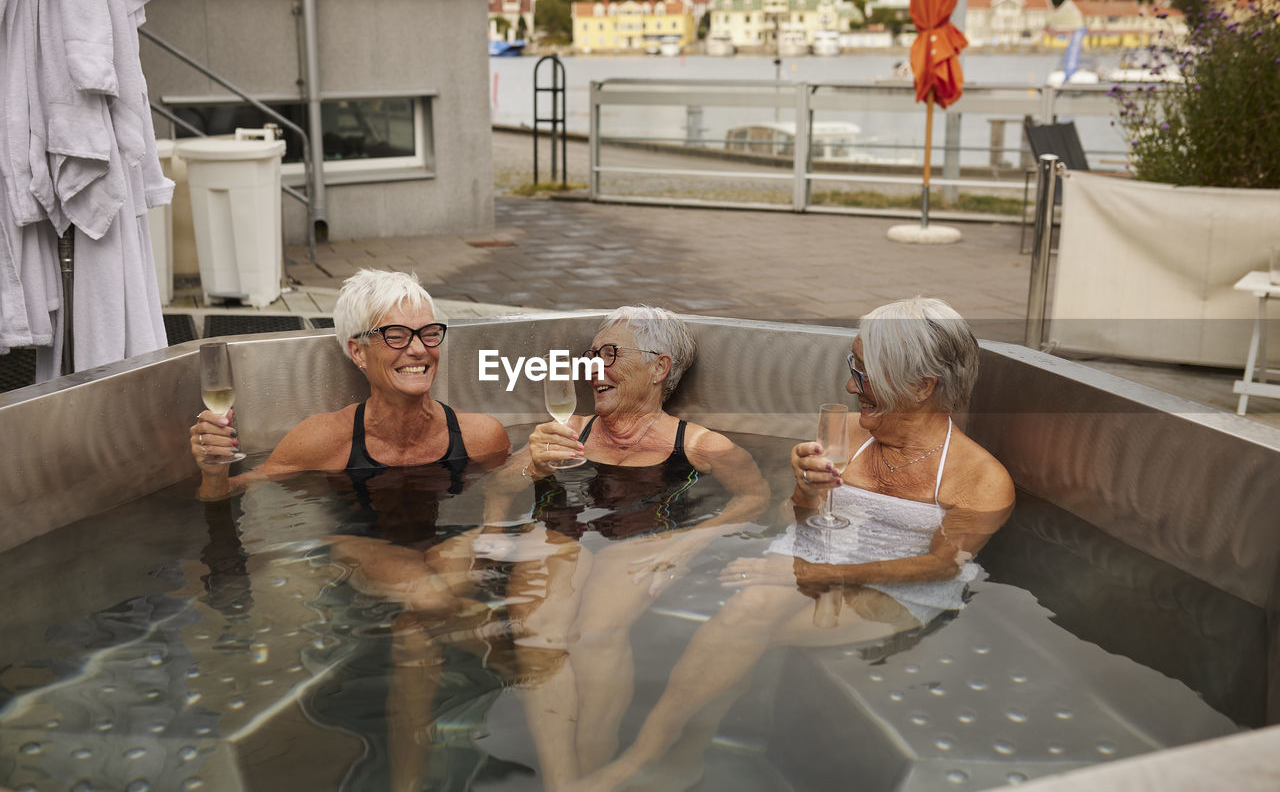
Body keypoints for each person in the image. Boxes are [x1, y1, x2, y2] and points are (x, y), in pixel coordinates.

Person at [574, 297, 1015, 790]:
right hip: (807, 557)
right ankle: (671, 758)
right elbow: (791, 517)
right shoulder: (844, 432)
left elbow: (939, 565)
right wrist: (806, 490)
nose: (851, 385)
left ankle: (644, 760)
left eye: (864, 373)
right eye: (854, 366)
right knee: (746, 616)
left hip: (902, 585)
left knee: (746, 631)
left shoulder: (979, 480)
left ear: (921, 386)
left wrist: (818, 575)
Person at [493, 305, 770, 781]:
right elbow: (499, 486)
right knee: (542, 633)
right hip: (563, 537)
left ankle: (592, 777)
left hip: (640, 540)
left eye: (610, 354)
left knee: (596, 635)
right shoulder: (567, 431)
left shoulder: (701, 446)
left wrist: (688, 542)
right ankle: (562, 784)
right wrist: (525, 479)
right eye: (591, 355)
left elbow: (755, 498)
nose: (593, 367)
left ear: (660, 367)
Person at [190, 268, 511, 500]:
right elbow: (228, 494)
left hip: (448, 549)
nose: (419, 349)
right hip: (359, 556)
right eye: (395, 336)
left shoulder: (481, 437)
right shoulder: (323, 440)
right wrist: (214, 474)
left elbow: (508, 490)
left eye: (428, 334)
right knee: (428, 595)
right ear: (358, 351)